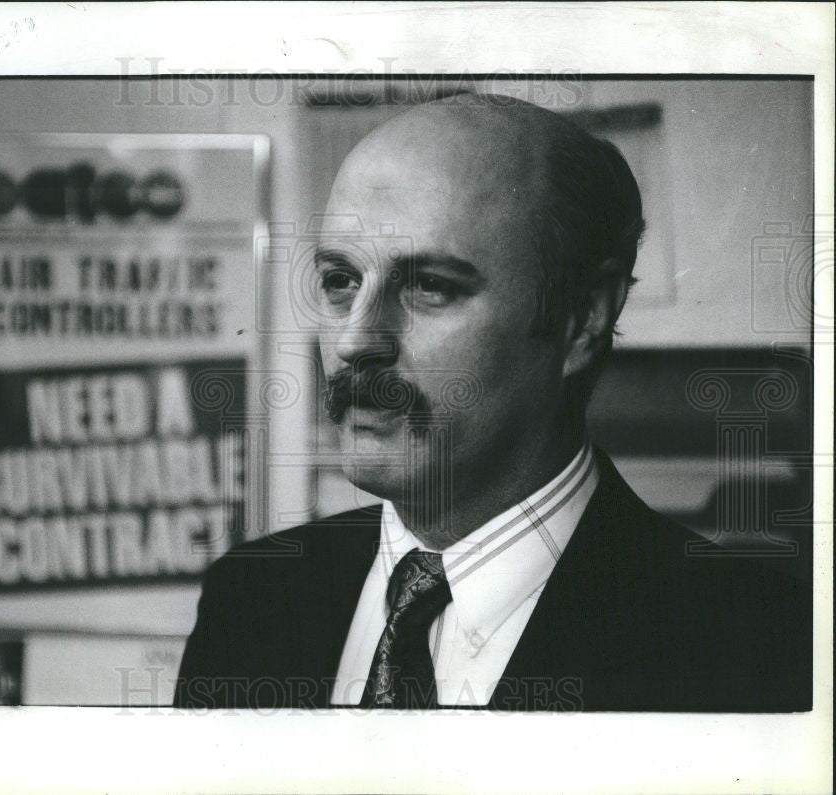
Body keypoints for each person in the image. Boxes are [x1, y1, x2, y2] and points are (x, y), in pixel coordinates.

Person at [174, 94, 811, 711]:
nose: (352, 339)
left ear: (581, 319)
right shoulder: (252, 598)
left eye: (428, 287)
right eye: (341, 281)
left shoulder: (758, 647)